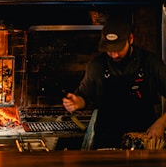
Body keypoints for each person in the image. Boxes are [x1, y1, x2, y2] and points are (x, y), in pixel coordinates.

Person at [62, 17, 166, 149]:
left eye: (118, 49)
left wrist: (162, 123)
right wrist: (76, 102)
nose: (114, 55)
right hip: (106, 140)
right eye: (110, 50)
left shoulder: (150, 63)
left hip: (144, 139)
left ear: (131, 39)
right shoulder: (97, 65)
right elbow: (84, 97)